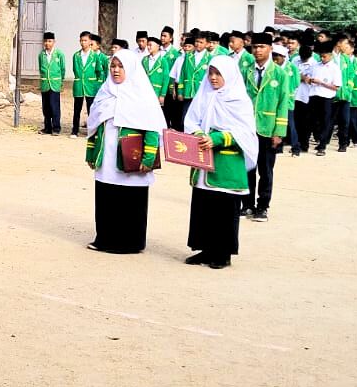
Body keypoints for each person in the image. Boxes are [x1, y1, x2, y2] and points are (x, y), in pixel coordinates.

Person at [84, 50, 165, 254]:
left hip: (132, 158)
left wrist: (148, 157)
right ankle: (105, 238)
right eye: (113, 66)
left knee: (131, 200)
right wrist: (91, 153)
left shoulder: (142, 96)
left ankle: (130, 242)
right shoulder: (105, 93)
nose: (116, 70)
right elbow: (94, 127)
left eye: (120, 66)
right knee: (106, 198)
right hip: (107, 157)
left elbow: (152, 129)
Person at [182, 55, 256, 270]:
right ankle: (205, 249)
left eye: (218, 74)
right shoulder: (204, 95)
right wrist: (197, 133)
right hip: (204, 161)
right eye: (211, 73)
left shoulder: (239, 100)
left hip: (226, 162)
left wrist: (215, 138)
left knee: (224, 208)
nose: (213, 78)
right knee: (204, 205)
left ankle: (223, 254)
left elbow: (245, 133)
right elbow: (191, 119)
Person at [242, 33, 286, 221]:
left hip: (268, 129)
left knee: (266, 170)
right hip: (248, 128)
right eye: (255, 47)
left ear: (270, 49)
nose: (258, 50)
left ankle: (263, 206)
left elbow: (284, 103)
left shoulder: (279, 73)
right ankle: (248, 205)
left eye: (262, 47)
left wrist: (279, 132)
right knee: (248, 168)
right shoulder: (246, 70)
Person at [304, 40, 341, 157]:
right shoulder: (315, 65)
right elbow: (306, 76)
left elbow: (336, 87)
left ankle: (322, 146)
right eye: (321, 56)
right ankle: (307, 144)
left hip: (326, 97)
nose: (322, 58)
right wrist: (309, 80)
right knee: (311, 121)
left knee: (326, 122)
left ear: (330, 55)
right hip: (314, 95)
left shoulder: (335, 68)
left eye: (324, 56)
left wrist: (321, 83)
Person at [70, 33, 103, 138]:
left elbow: (99, 71)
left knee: (91, 109)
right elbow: (75, 69)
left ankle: (92, 131)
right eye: (81, 40)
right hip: (79, 85)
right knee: (77, 109)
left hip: (91, 86)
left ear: (90, 42)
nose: (83, 43)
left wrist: (95, 82)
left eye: (85, 40)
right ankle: (75, 131)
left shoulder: (95, 56)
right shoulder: (76, 55)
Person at [37, 32, 64, 135]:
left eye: (50, 41)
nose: (47, 43)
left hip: (55, 84)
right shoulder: (41, 55)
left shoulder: (59, 54)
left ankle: (56, 128)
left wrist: (61, 82)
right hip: (45, 84)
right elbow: (41, 68)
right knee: (46, 107)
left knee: (54, 107)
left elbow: (62, 69)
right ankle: (47, 128)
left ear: (54, 42)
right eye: (45, 41)